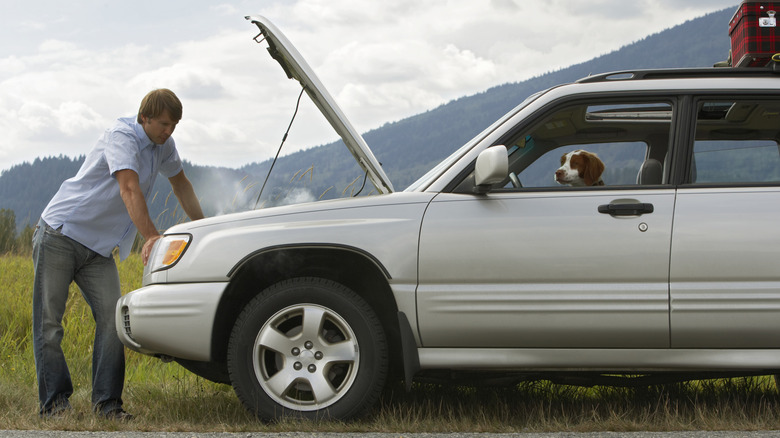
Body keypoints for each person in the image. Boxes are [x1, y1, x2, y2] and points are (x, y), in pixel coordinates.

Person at [31, 88, 205, 419]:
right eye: (164, 124)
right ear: (145, 118)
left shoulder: (163, 145)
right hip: (61, 234)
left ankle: (107, 406)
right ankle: (55, 406)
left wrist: (205, 226)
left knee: (115, 322)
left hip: (98, 250)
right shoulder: (121, 135)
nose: (169, 132)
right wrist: (151, 236)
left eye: (174, 126)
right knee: (49, 325)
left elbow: (181, 184)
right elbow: (128, 187)